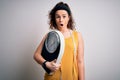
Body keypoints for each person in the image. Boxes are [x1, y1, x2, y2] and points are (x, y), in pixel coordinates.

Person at [34, 1, 85, 80]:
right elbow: (36, 55)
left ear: (69, 17)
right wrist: (46, 64)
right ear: (54, 19)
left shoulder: (77, 36)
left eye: (64, 16)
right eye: (58, 17)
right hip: (52, 78)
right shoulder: (50, 35)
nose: (61, 20)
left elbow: (80, 62)